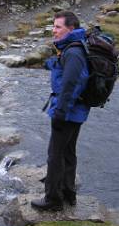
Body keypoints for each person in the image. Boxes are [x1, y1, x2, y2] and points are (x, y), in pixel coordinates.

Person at [31, 11, 90, 211]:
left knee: (55, 155)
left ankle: (53, 199)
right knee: (67, 152)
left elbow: (71, 84)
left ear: (70, 29)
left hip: (68, 111)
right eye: (53, 26)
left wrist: (60, 113)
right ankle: (68, 193)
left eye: (58, 27)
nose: (53, 31)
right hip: (75, 110)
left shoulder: (73, 52)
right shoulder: (73, 48)